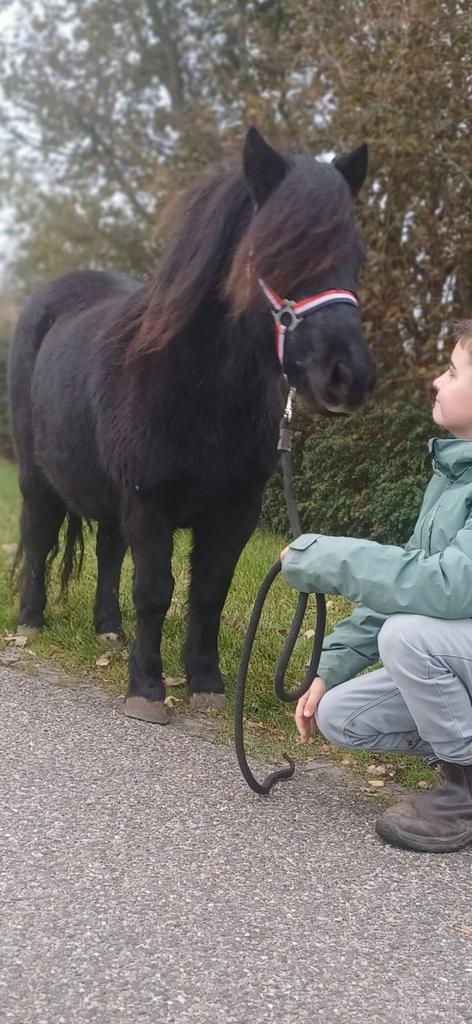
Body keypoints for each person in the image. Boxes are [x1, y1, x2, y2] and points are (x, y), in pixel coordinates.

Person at [280, 322, 472, 853]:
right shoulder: (455, 475)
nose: (437, 380)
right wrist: (329, 668)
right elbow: (407, 581)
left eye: (453, 372)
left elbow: (448, 586)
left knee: (407, 638)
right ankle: (458, 759)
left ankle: (464, 792)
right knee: (342, 715)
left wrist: (323, 556)